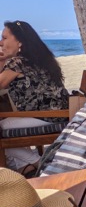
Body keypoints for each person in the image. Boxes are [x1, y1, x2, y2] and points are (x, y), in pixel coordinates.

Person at [0, 21, 69, 172]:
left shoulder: (18, 62)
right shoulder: (37, 59)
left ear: (19, 41)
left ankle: (39, 164)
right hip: (59, 114)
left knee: (3, 126)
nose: (1, 43)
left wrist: (4, 61)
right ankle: (25, 168)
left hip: (47, 116)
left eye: (4, 38)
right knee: (8, 123)